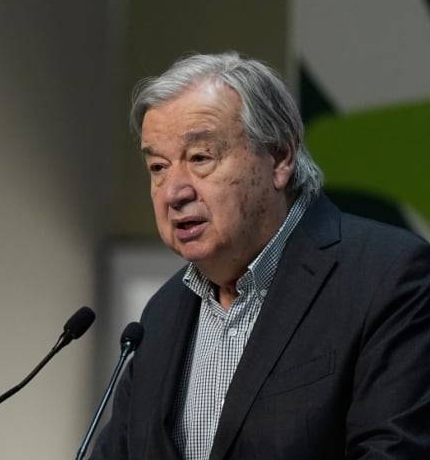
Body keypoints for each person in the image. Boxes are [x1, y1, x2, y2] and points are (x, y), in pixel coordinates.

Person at [91, 52, 430, 459]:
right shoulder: (160, 317)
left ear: (280, 158)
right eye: (158, 167)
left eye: (200, 158)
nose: (173, 192)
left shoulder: (386, 276)